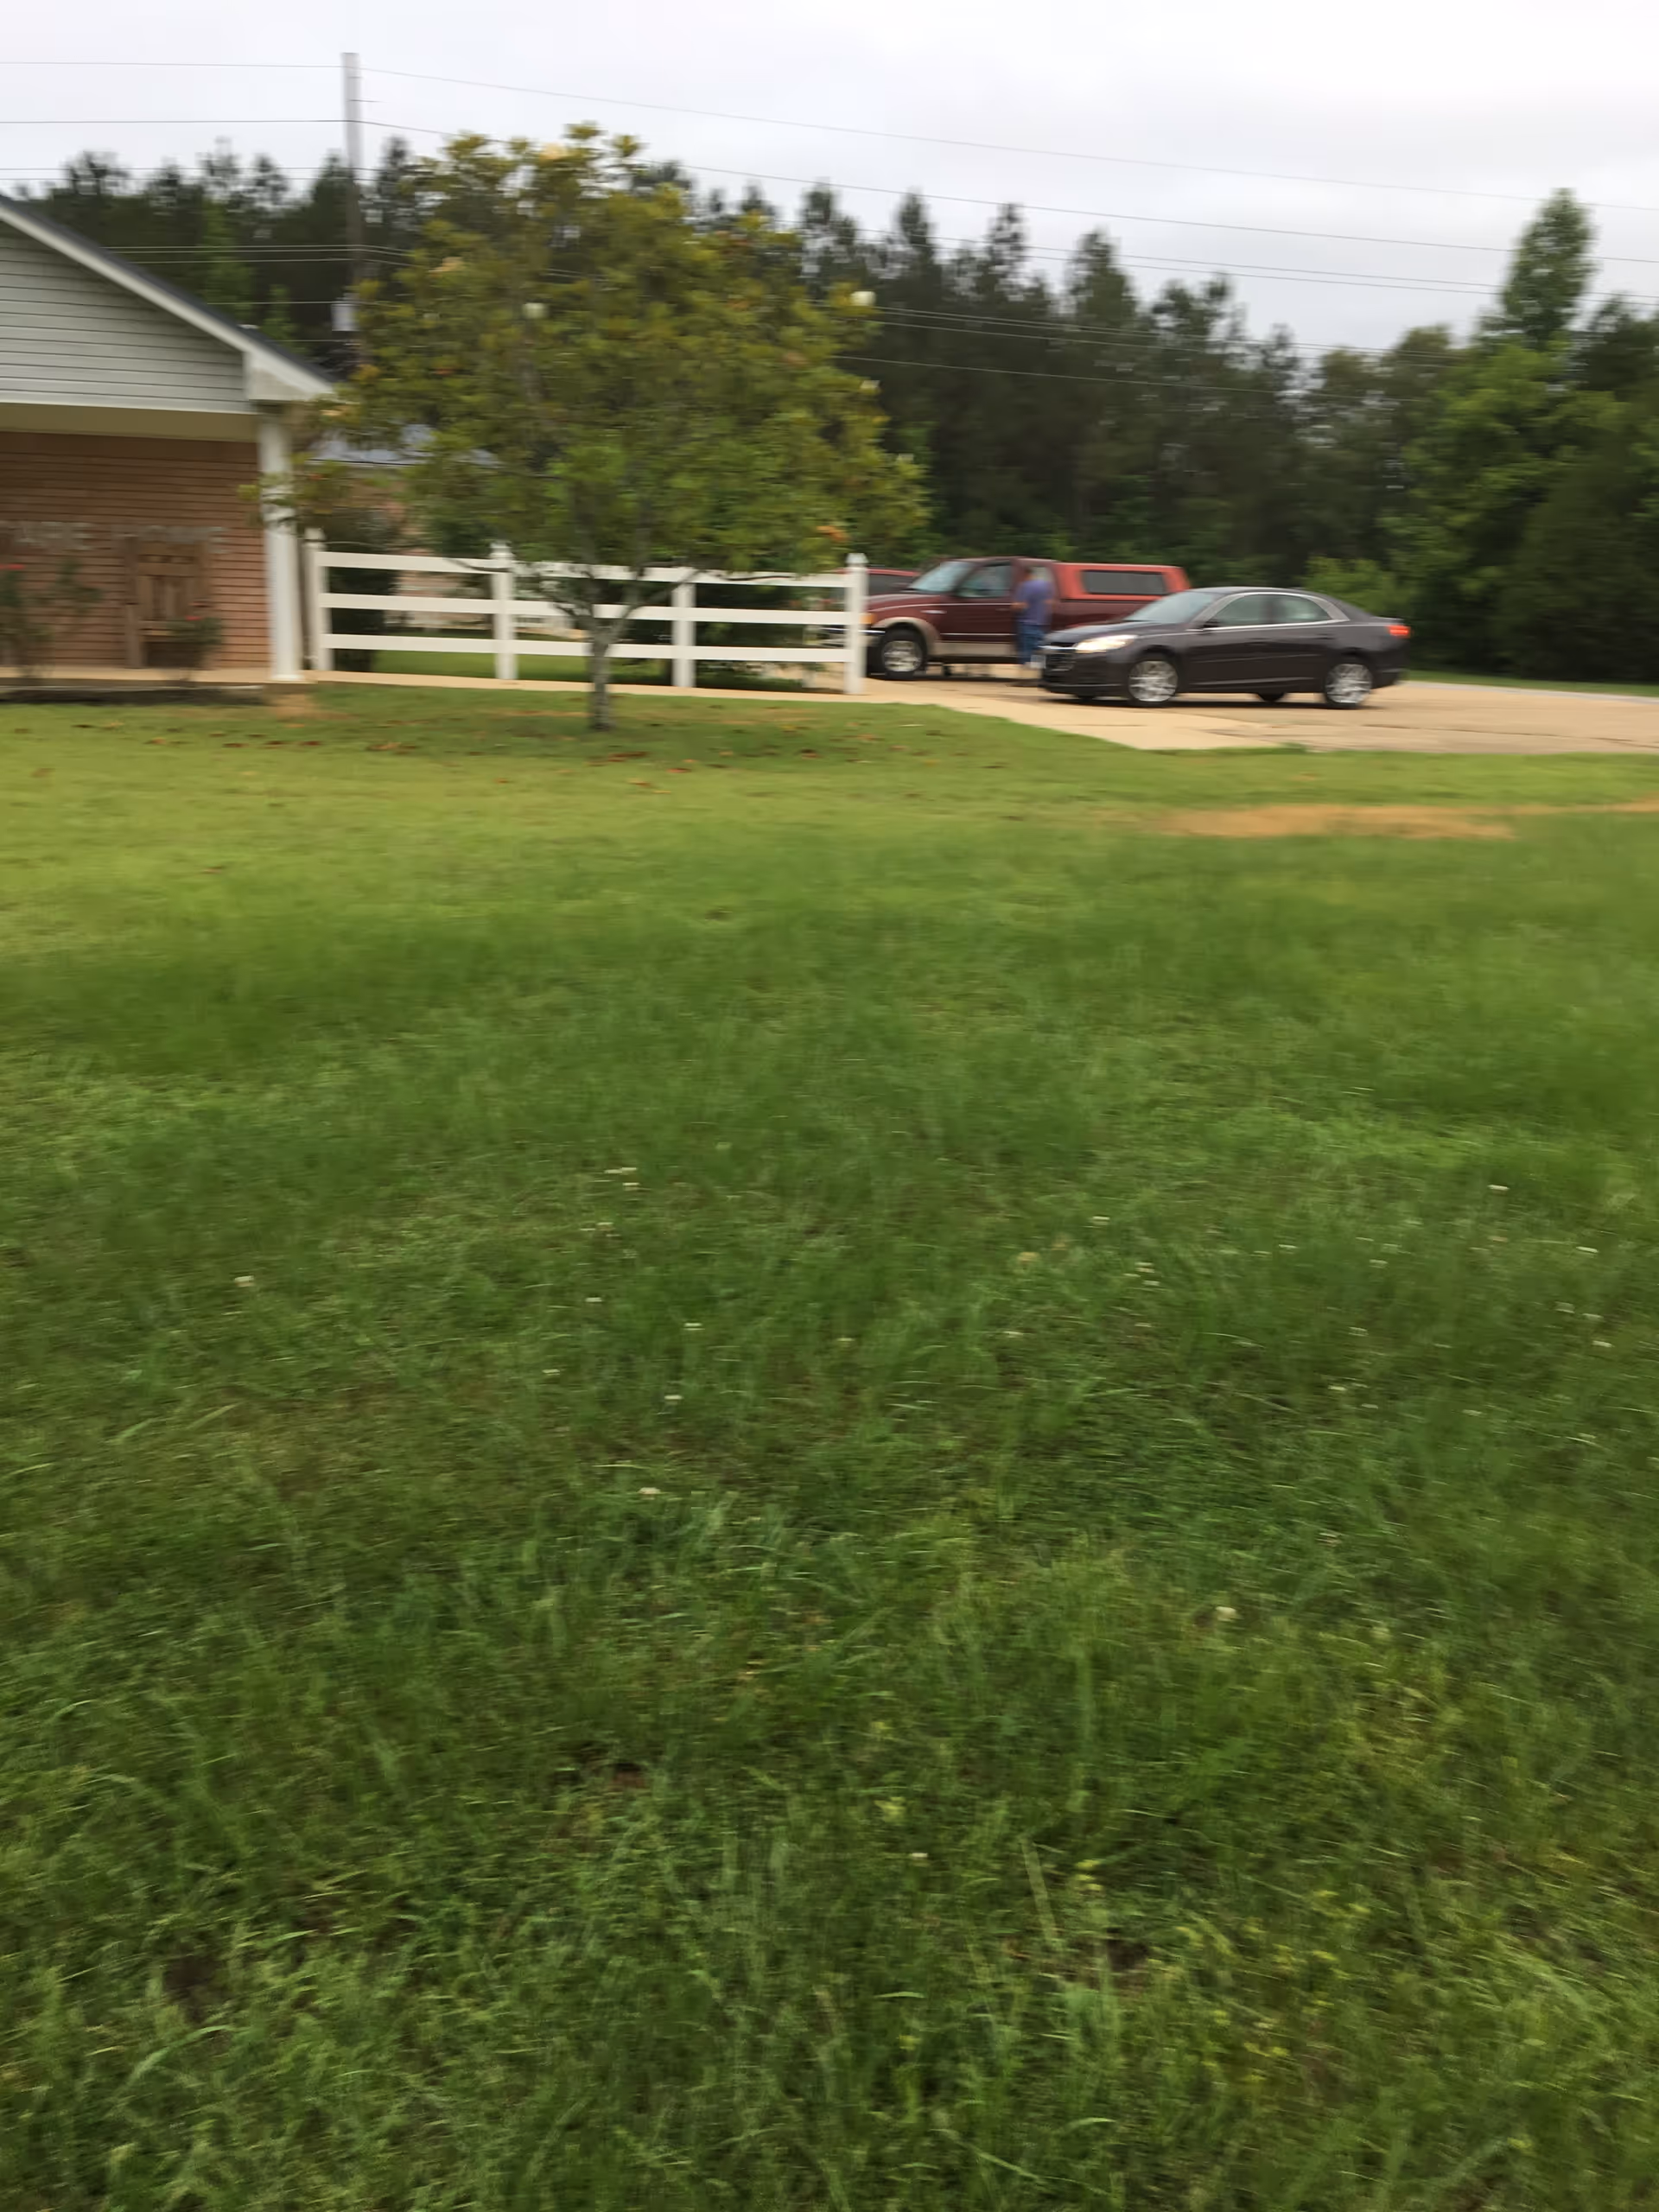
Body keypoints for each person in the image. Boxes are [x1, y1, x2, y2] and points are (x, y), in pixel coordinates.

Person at [1013, 563, 1055, 676]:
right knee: (1039, 651)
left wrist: (1013, 606)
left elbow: (1022, 605)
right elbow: (1050, 602)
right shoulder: (1045, 585)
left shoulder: (1025, 586)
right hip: (1042, 623)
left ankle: (1026, 678)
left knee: (1026, 652)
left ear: (1024, 574)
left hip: (1027, 623)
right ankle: (1038, 675)